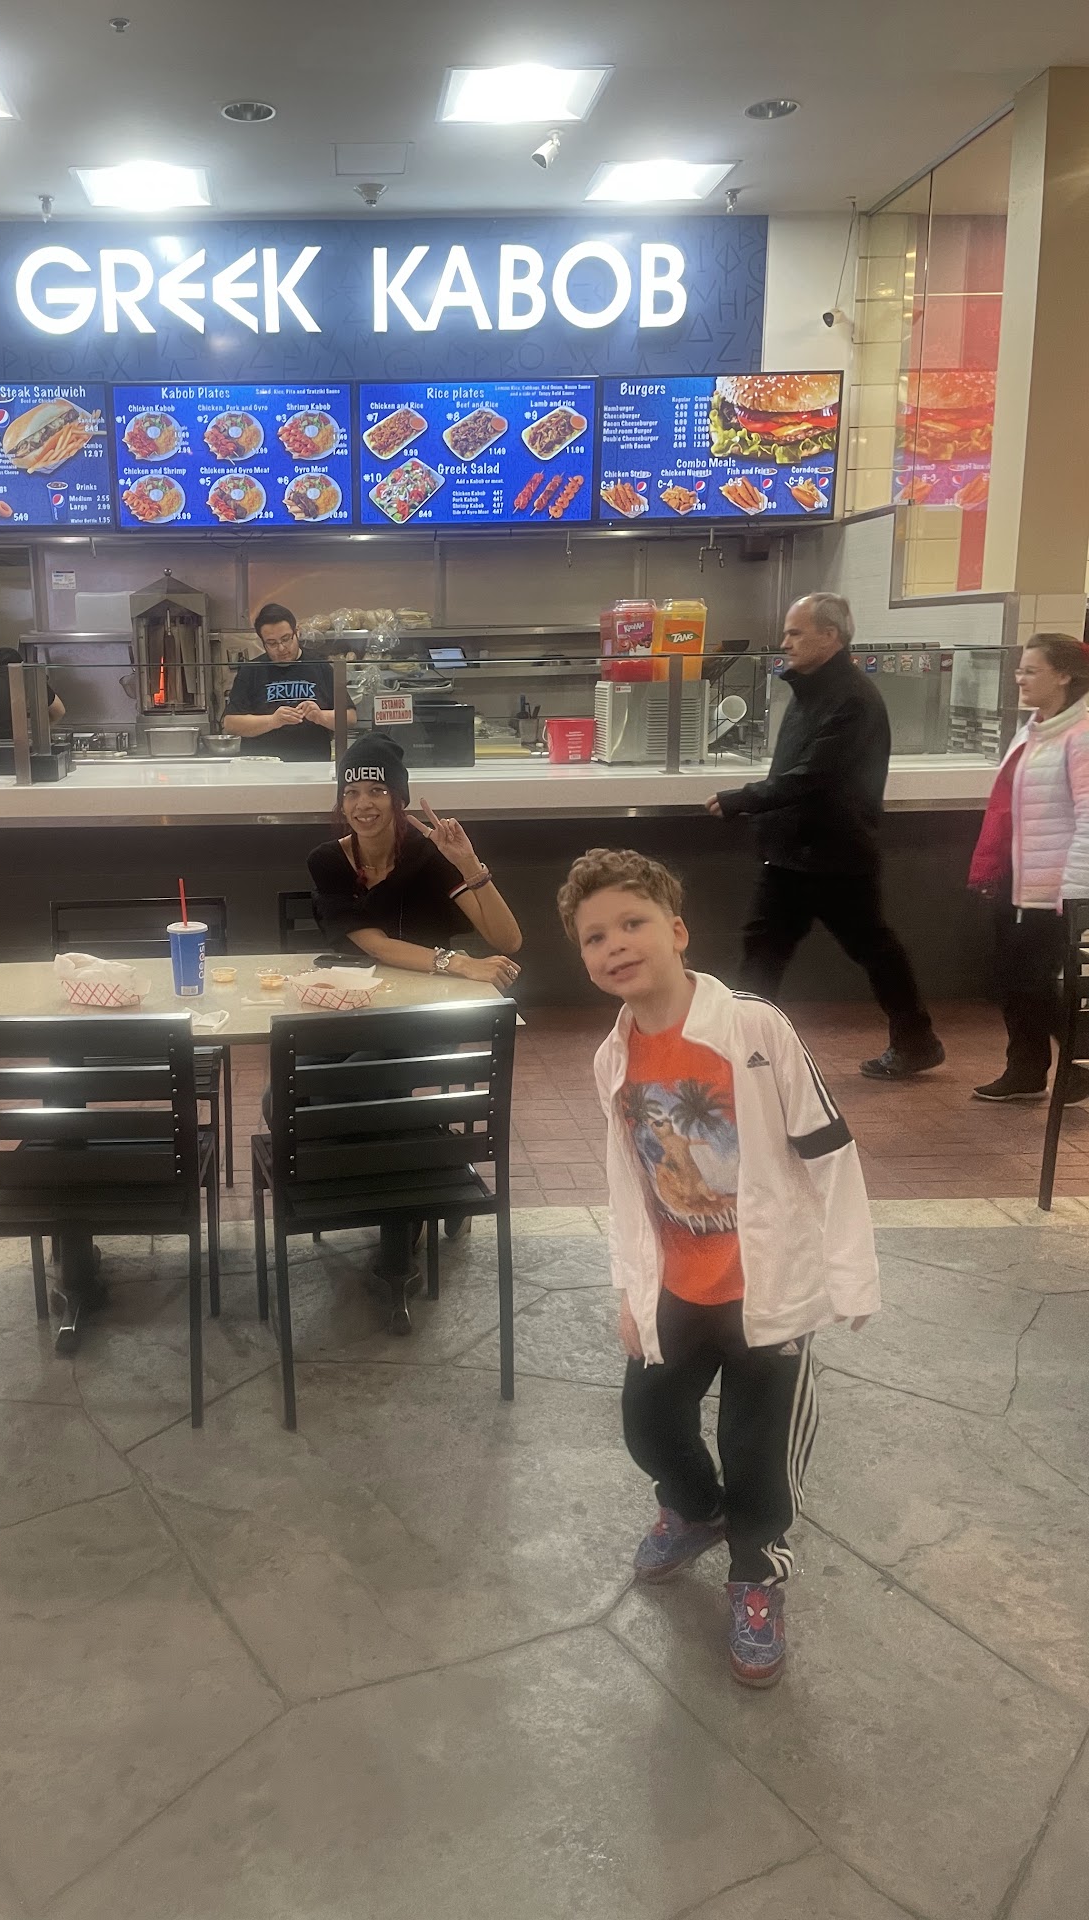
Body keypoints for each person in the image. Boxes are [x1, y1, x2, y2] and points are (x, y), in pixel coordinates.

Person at [561, 846, 878, 1688]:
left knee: (757, 1452)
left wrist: (849, 1273)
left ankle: (757, 1576)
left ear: (676, 930)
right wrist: (631, 1292)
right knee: (648, 1422)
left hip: (766, 1288)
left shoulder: (754, 1028)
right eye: (595, 936)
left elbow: (828, 1148)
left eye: (632, 923)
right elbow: (628, 1184)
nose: (616, 945)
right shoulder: (613, 1058)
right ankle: (696, 1510)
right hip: (676, 1283)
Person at [709, 593, 945, 1081]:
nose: (785, 642)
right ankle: (744, 1046)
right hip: (795, 851)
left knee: (871, 948)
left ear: (831, 636)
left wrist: (744, 799)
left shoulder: (852, 700)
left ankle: (916, 1040)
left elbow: (813, 776)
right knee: (765, 949)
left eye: (796, 632)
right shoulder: (812, 691)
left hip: (834, 855)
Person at [967, 633, 1089, 1103]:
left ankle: (1075, 1063)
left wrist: (1073, 893)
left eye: (1031, 670)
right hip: (1017, 878)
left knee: (1033, 983)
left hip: (1053, 889)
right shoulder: (1034, 730)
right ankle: (1027, 1069)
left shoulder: (1079, 738)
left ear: (1064, 676)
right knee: (1012, 979)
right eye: (1019, 669)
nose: (1019, 678)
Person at [309, 735, 522, 984]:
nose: (363, 804)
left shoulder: (429, 851)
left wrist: (468, 863)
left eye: (377, 790)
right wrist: (460, 963)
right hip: (354, 990)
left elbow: (508, 941)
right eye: (351, 793)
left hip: (433, 987)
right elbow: (377, 946)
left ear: (398, 800)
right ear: (343, 806)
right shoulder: (328, 861)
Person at [223, 603, 355, 760]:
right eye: (272, 643)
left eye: (286, 639)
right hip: (262, 766)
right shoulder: (251, 670)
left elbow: (350, 718)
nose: (281, 648)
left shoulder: (320, 666)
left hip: (312, 764)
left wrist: (320, 716)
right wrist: (273, 720)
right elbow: (230, 723)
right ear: (262, 642)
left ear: (296, 632)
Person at [0, 647, 64, 740]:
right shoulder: (33, 683)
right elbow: (59, 711)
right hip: (31, 748)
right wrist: (38, 731)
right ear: (21, 665)